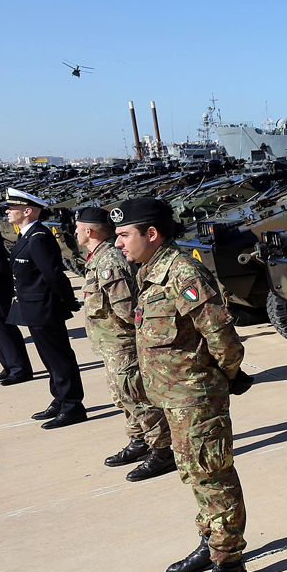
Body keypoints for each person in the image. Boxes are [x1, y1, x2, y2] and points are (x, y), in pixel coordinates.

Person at [112, 197, 254, 572]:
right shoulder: (150, 272)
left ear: (150, 234)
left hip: (195, 397)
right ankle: (210, 540)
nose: (119, 243)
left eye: (124, 235)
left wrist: (221, 379)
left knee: (212, 474)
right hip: (172, 398)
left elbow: (223, 338)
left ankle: (229, 562)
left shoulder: (182, 273)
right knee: (194, 474)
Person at [75, 206, 175, 481]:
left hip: (123, 344)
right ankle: (140, 440)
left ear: (89, 230)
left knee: (138, 398)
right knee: (123, 398)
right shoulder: (98, 258)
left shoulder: (109, 261)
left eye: (77, 227)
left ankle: (163, 450)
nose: (74, 233)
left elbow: (128, 310)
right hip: (110, 345)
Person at [3, 188, 86, 427]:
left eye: (13, 208)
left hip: (45, 307)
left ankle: (72, 405)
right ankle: (60, 399)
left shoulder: (38, 237)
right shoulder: (26, 235)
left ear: (27, 211)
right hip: (33, 306)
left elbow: (53, 274)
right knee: (49, 359)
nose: (8, 212)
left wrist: (67, 301)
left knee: (59, 358)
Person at [0, 217, 32, 386]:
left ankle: (19, 368)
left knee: (4, 328)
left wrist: (10, 280)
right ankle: (9, 366)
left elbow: (0, 262)